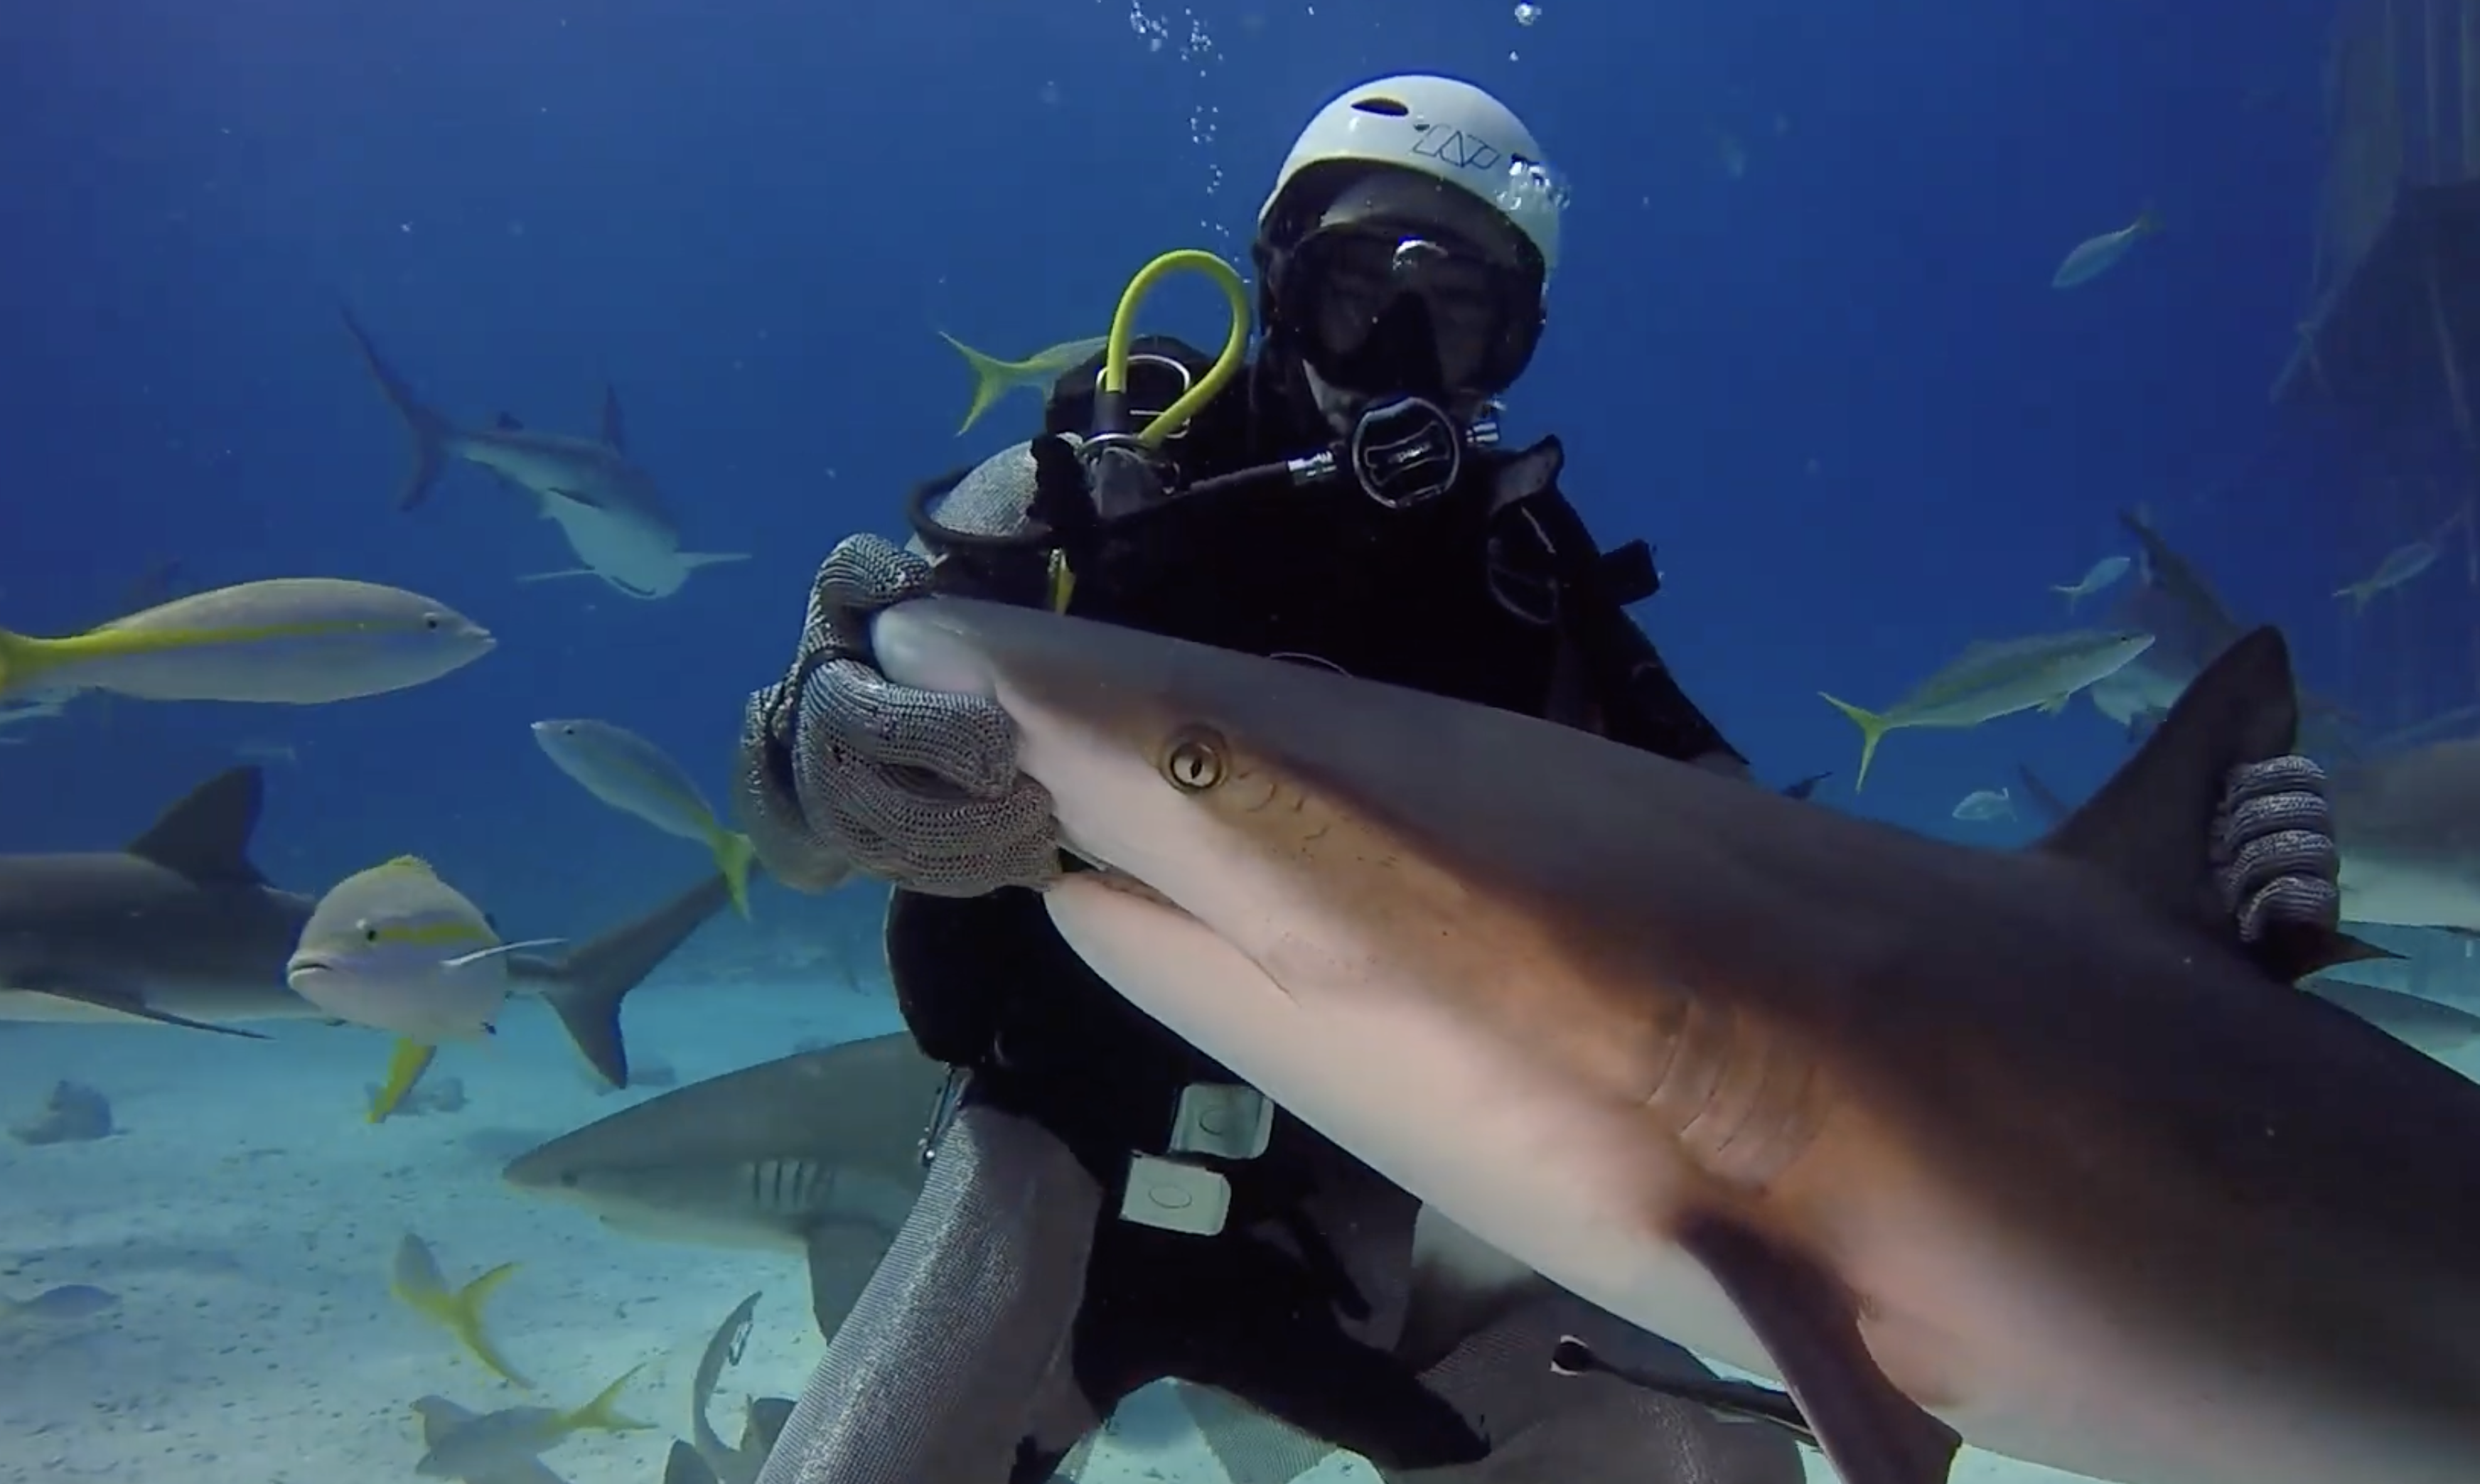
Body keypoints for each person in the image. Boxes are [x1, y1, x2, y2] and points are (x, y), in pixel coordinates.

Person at [732, 75, 2346, 1484]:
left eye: (1469, 312)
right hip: (1057, 1159)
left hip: (1421, 1203)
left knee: (1705, 1467)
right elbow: (804, 828)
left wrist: (2156, 949)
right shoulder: (1081, 506)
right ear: (1275, 282)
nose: (1407, 352)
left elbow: (1793, 901)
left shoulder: (1528, 585)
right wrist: (808, 748)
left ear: (1524, 341)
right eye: (1364, 290)